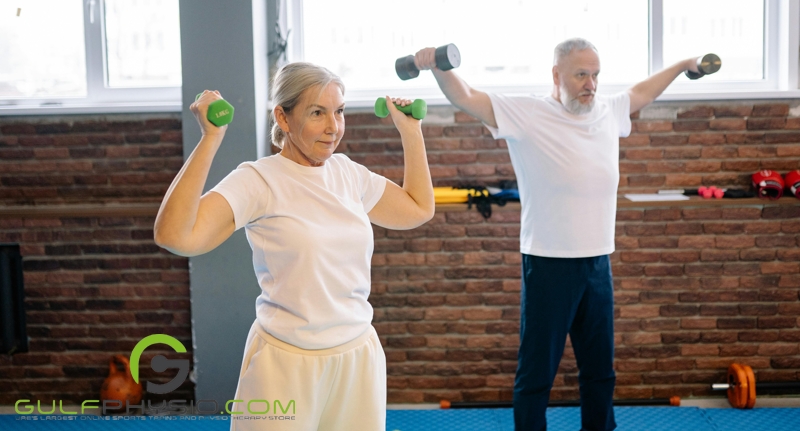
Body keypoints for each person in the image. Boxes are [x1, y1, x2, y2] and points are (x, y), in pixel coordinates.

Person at [414, 38, 701, 431]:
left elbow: (641, 92)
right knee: (536, 374)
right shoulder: (528, 112)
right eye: (581, 74)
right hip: (548, 263)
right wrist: (436, 66)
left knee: (600, 371)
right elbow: (465, 97)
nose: (591, 84)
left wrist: (683, 64)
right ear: (556, 75)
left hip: (598, 262)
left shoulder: (606, 110)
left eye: (596, 75)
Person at [153, 62, 435, 431]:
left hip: (357, 355)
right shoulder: (258, 180)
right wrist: (211, 138)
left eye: (339, 111)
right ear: (282, 118)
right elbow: (174, 235)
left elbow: (417, 208)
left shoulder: (347, 173)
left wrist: (410, 131)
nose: (333, 127)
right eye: (318, 113)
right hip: (285, 363)